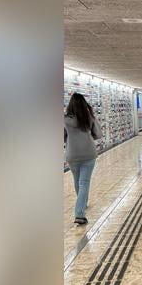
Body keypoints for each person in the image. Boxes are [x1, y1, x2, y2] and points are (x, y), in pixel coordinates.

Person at [64, 93, 101, 225]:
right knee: (84, 182)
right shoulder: (88, 117)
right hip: (88, 153)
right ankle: (79, 213)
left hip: (72, 154)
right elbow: (98, 134)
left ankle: (82, 204)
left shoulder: (64, 119)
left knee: (77, 181)